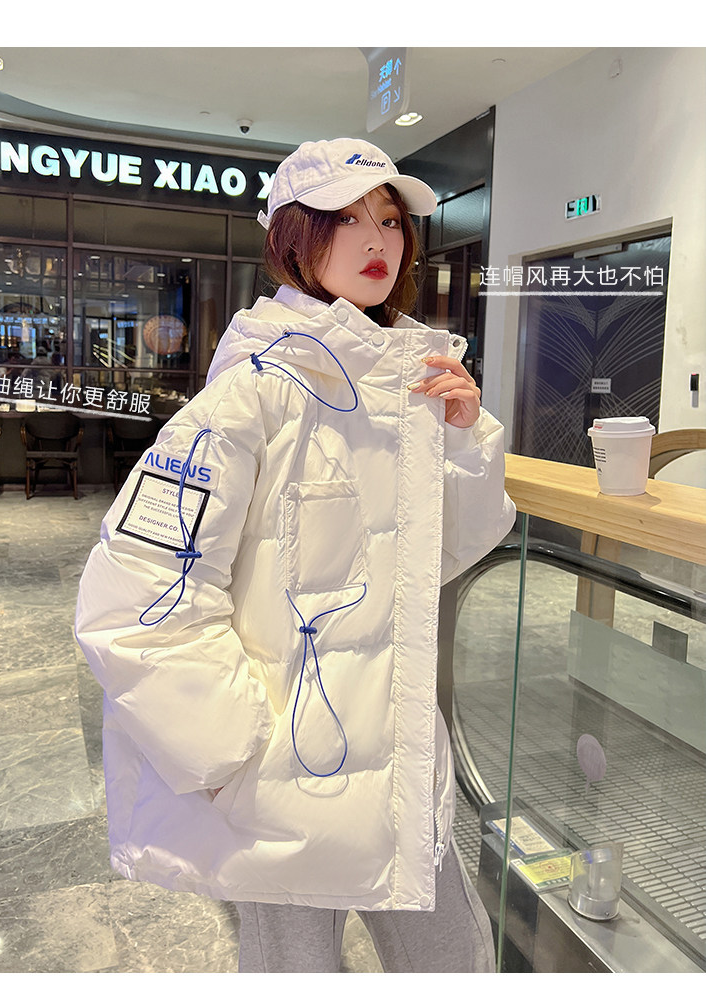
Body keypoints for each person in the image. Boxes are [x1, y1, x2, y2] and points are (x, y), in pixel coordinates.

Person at [75, 137, 516, 973]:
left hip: (400, 772)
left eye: (390, 220)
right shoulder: (253, 390)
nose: (378, 240)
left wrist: (463, 439)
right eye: (347, 219)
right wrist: (229, 748)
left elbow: (445, 553)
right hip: (285, 783)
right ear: (294, 238)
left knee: (456, 963)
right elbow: (136, 596)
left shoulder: (410, 378)